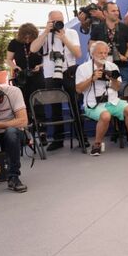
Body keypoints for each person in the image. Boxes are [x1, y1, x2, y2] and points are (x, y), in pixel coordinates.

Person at [75, 42, 128, 156]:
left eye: (105, 53)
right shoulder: (83, 68)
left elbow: (117, 88)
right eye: (100, 52)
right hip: (93, 103)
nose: (103, 55)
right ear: (92, 53)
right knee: (105, 116)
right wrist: (92, 79)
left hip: (112, 100)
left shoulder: (112, 67)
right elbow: (78, 90)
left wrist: (113, 79)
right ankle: (97, 144)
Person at [30, 11, 82, 151]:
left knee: (75, 104)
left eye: (60, 20)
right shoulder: (44, 33)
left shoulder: (71, 32)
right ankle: (58, 140)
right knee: (54, 107)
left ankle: (81, 138)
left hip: (69, 70)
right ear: (49, 21)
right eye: (54, 21)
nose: (58, 24)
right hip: (50, 73)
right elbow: (33, 49)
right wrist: (46, 32)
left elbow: (78, 54)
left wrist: (64, 38)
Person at [7, 23, 44, 129]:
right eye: (25, 38)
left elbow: (47, 59)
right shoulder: (14, 43)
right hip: (21, 77)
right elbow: (9, 59)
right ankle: (26, 127)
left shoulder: (39, 42)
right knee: (23, 102)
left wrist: (40, 66)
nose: (27, 40)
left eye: (30, 38)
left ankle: (41, 129)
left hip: (37, 76)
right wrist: (15, 67)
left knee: (38, 103)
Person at [90, 2, 128, 82]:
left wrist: (125, 57)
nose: (116, 13)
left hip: (122, 66)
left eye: (117, 11)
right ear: (105, 13)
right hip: (102, 66)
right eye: (113, 11)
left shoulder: (124, 27)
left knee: (122, 90)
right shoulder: (97, 28)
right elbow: (91, 46)